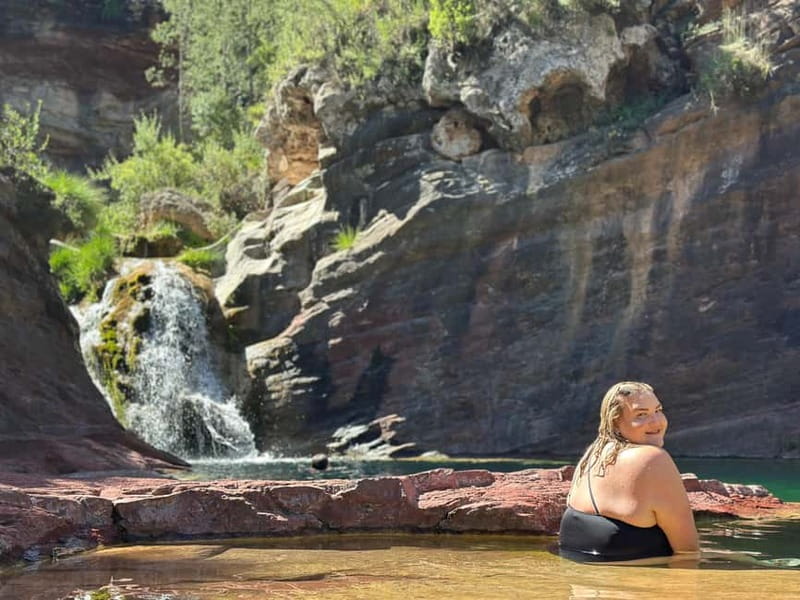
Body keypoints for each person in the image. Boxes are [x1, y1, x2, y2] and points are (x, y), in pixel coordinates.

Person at [558, 381, 699, 563]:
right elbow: (688, 550)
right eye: (641, 415)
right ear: (615, 422)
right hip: (630, 584)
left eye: (658, 410)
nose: (657, 422)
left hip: (579, 583)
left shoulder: (594, 453)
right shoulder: (653, 459)